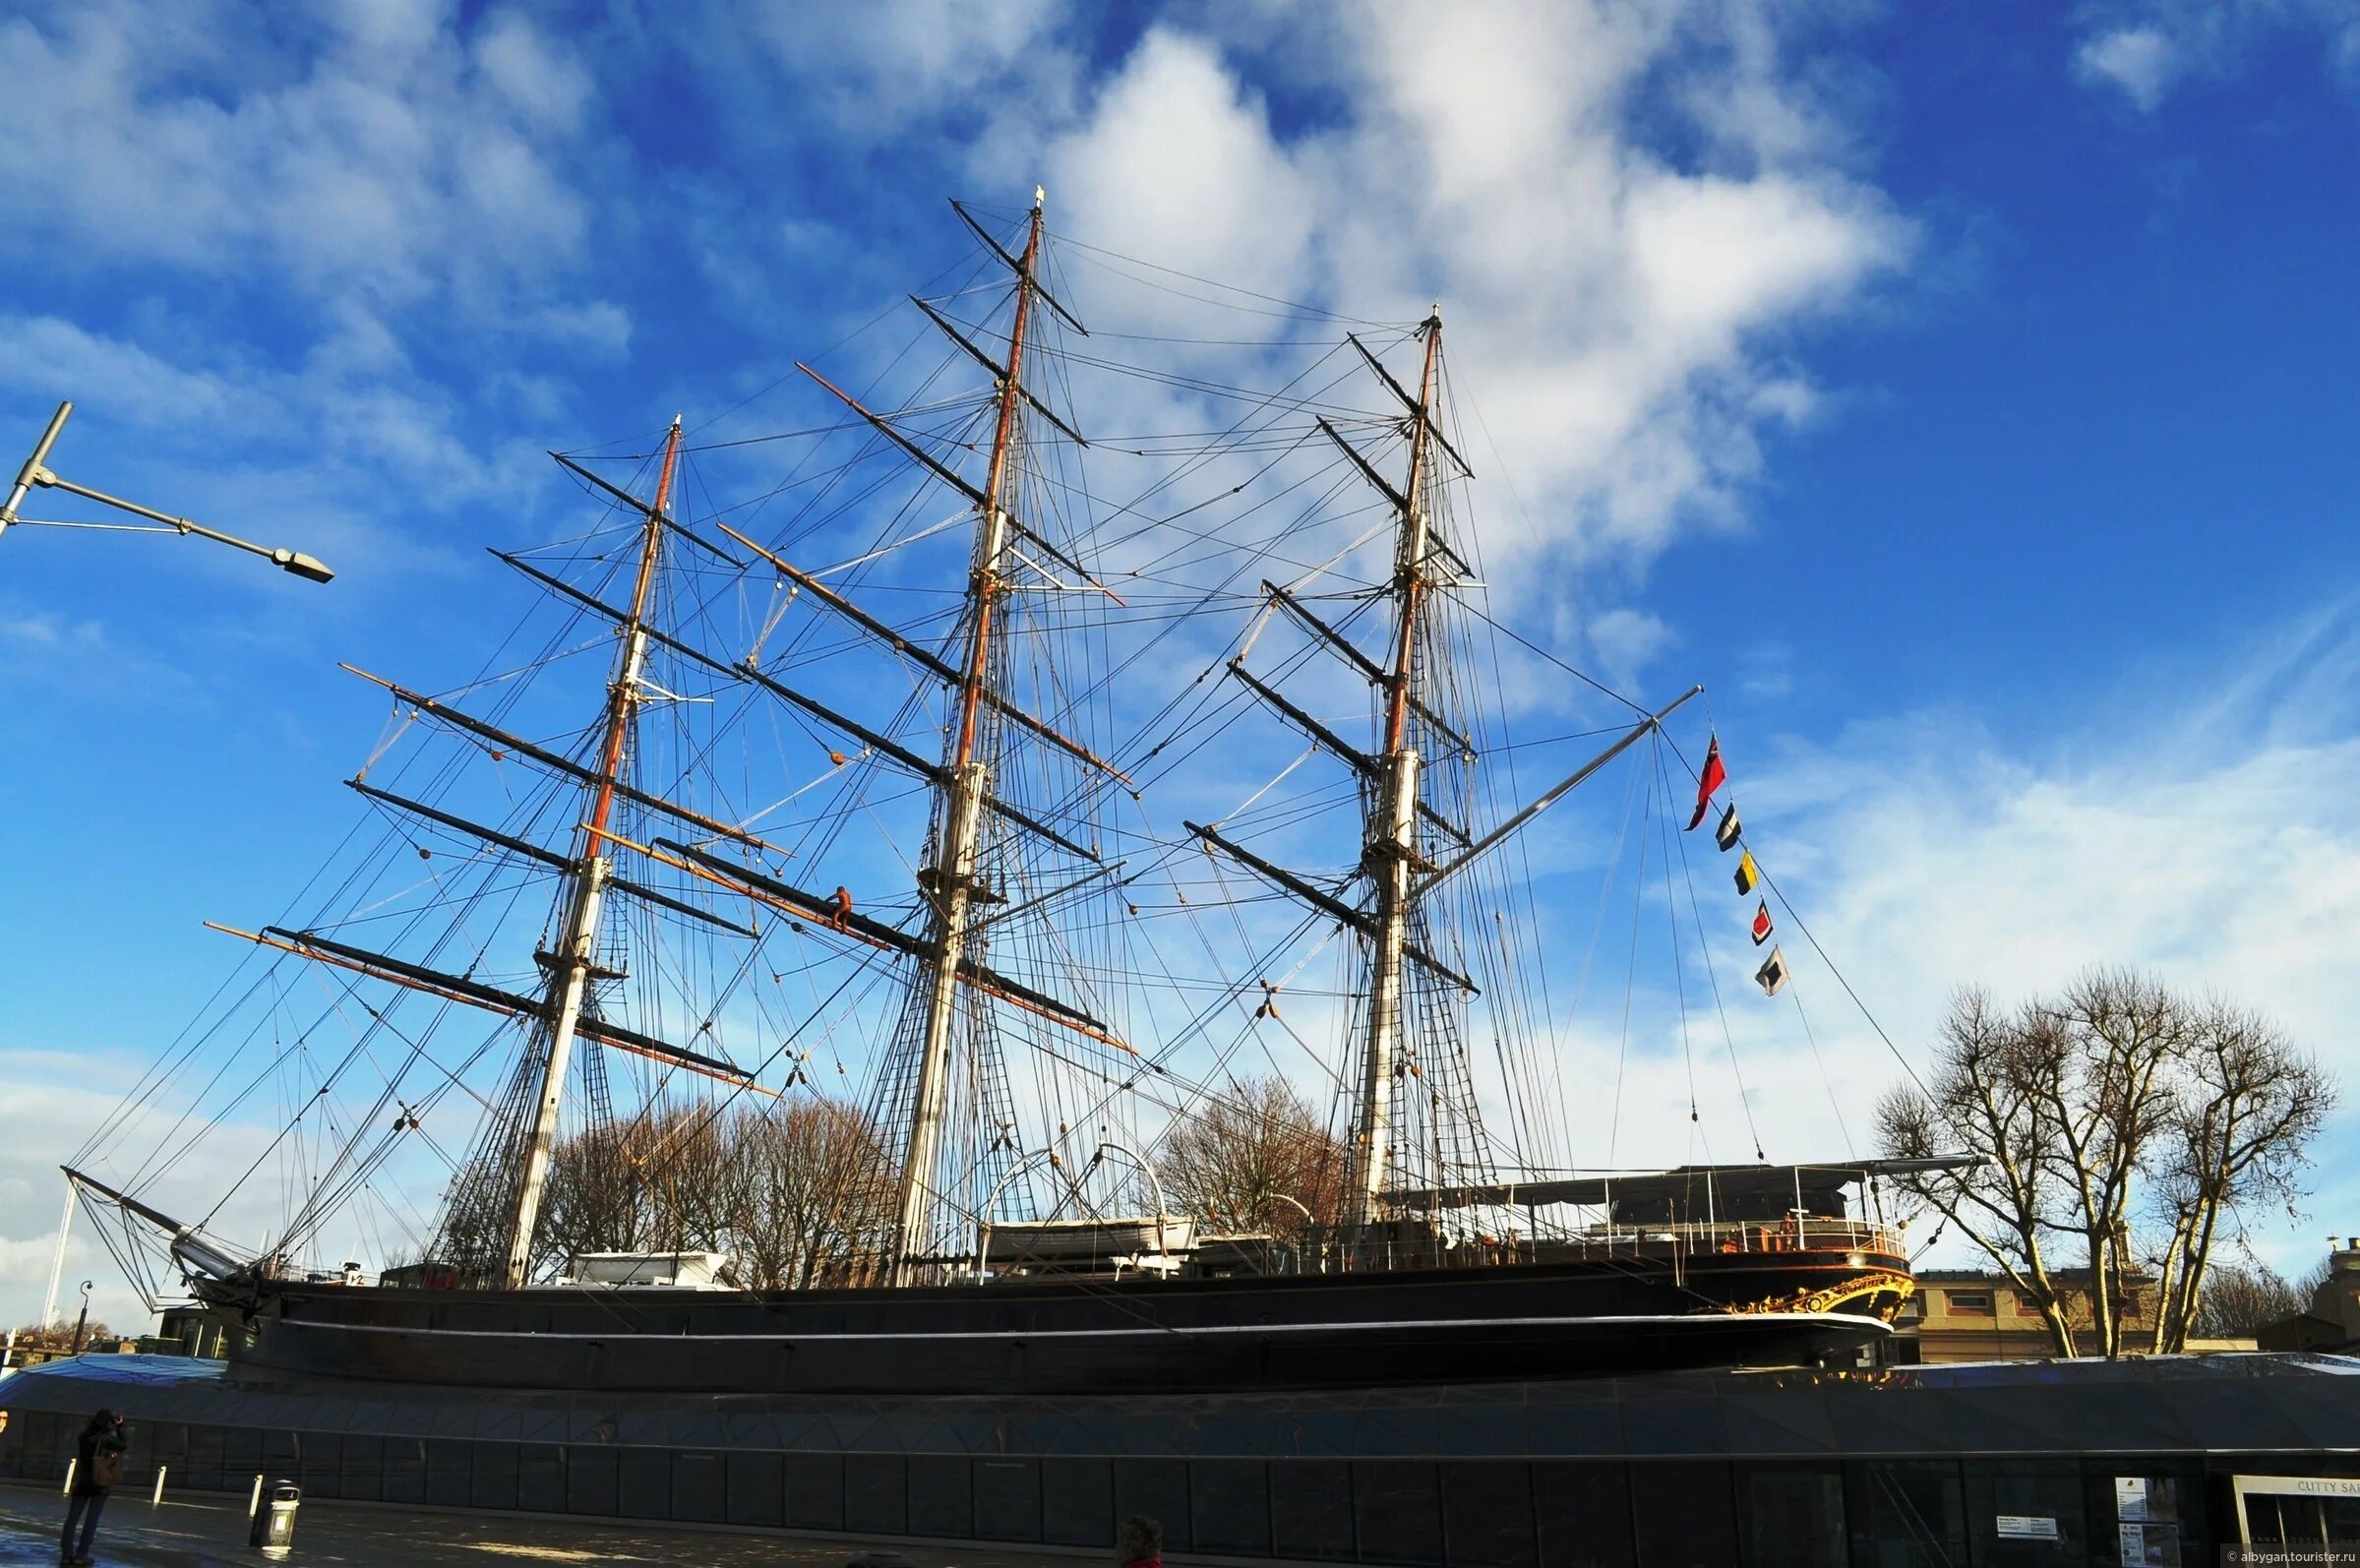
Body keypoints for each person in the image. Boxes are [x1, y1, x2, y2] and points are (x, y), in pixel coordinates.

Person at [60, 1409, 124, 1566]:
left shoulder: (84, 1436)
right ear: (108, 1422)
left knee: (72, 1519)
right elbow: (123, 1446)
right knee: (91, 1520)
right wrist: (119, 1427)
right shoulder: (107, 1438)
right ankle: (82, 1555)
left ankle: (67, 1554)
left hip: (82, 1482)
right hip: (99, 1483)